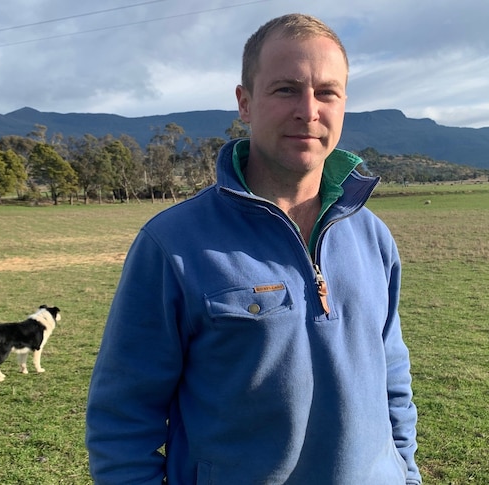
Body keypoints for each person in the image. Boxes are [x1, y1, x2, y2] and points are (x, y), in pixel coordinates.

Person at [86, 12, 421, 485]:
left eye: (327, 92)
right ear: (244, 103)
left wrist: (406, 474)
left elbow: (392, 380)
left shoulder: (373, 238)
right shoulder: (173, 245)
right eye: (286, 89)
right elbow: (121, 419)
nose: (309, 110)